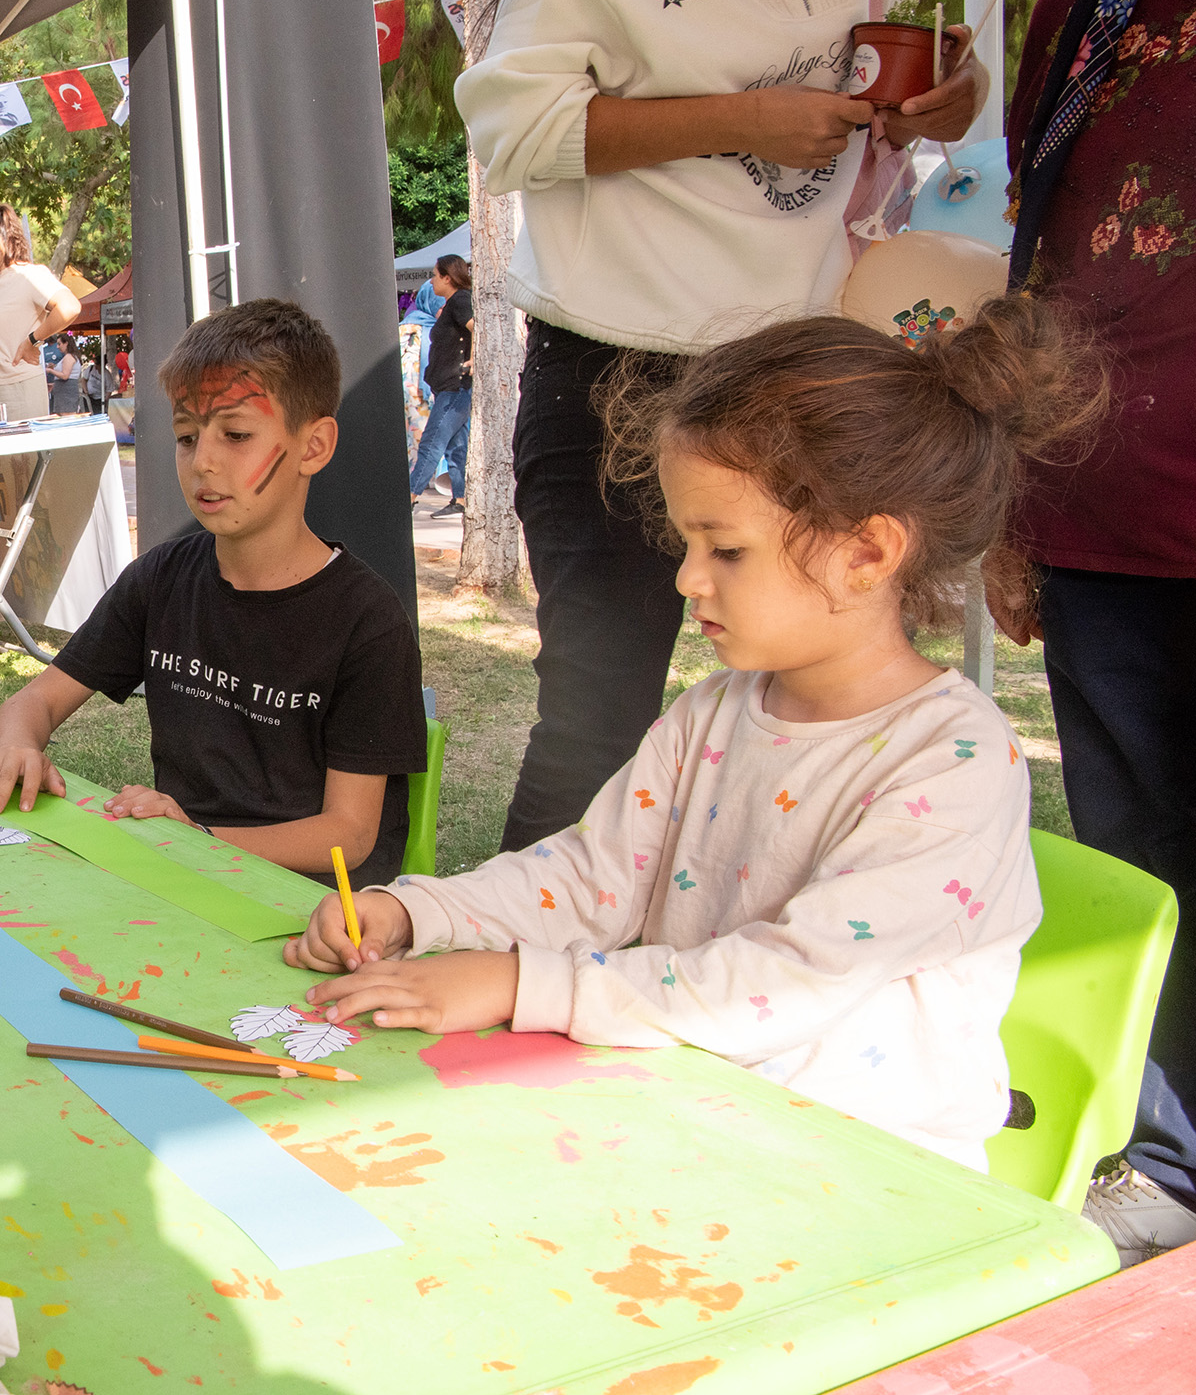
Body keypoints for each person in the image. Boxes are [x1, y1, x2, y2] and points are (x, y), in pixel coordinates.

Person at [285, 298, 1099, 1169]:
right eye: (685, 542)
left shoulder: (953, 763)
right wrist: (419, 911)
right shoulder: (712, 715)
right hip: (705, 1127)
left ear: (867, 553)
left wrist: (523, 980)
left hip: (874, 1175)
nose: (686, 579)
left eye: (726, 549)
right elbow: (592, 877)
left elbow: (790, 977)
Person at [455, 0, 987, 853]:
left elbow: (891, 100)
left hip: (799, 376)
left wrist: (948, 98)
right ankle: (499, 995)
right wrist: (738, 120)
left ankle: (791, 975)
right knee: (597, 724)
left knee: (828, 711)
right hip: (616, 368)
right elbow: (508, 130)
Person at [987, 0, 1196, 1263]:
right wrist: (1009, 499)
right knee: (1145, 854)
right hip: (1095, 517)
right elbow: (1037, 258)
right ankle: (1178, 1155)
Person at [0, 299, 428, 887]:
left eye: (235, 434)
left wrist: (196, 839)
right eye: (186, 436)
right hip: (184, 880)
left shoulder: (367, 622)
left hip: (311, 910)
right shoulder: (163, 580)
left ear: (313, 446)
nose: (202, 461)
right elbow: (34, 703)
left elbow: (349, 835)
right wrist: (17, 746)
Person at [0, 205, 80, 422]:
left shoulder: (28, 274)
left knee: (15, 458)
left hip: (12, 392)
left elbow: (70, 307)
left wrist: (33, 341)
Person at [406, 256, 474, 516]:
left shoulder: (460, 300)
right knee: (456, 446)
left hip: (455, 386)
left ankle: (410, 496)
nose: (431, 281)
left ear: (448, 277)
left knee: (433, 442)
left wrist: (473, 359)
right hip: (449, 386)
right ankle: (460, 499)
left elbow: (475, 326)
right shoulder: (452, 304)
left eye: (435, 275)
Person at [47, 332, 86, 414]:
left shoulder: (69, 357)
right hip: (63, 392)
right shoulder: (69, 357)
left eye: (59, 344)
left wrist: (50, 371)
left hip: (66, 393)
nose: (57, 347)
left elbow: (65, 376)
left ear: (66, 343)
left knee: (67, 417)